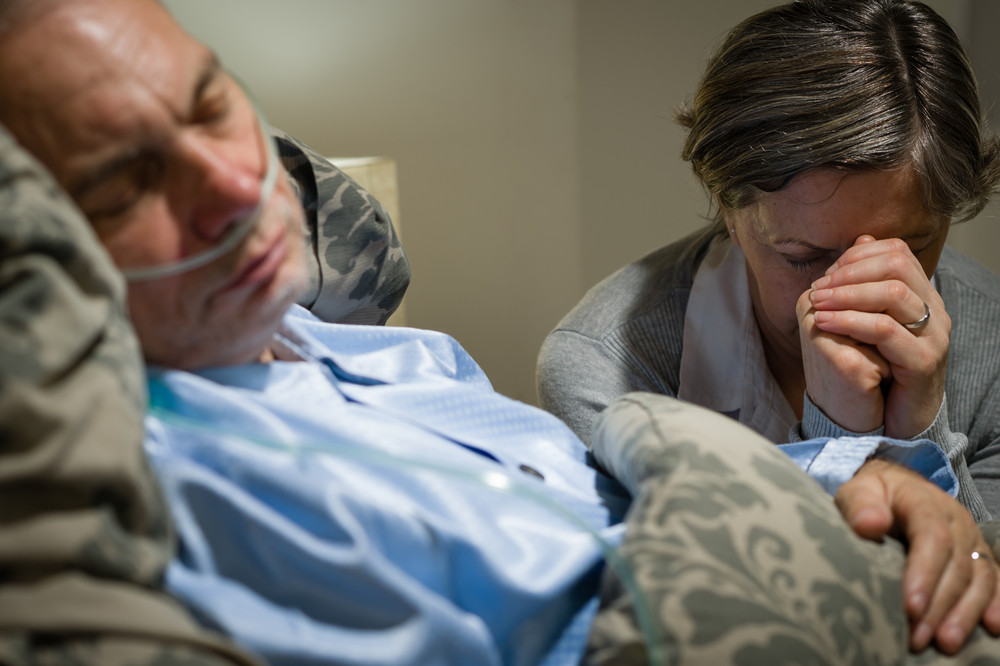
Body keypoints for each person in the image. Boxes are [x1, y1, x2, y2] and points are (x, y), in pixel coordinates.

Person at [0, 0, 997, 663]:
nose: (238, 187)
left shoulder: (399, 355)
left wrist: (883, 455)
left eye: (214, 104)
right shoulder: (158, 471)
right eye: (125, 184)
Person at [538, 0, 1000, 643]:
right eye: (805, 256)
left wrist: (921, 429)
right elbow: (686, 618)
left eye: (910, 248)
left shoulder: (994, 338)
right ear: (729, 210)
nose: (857, 293)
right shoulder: (607, 365)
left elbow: (982, 605)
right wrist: (847, 442)